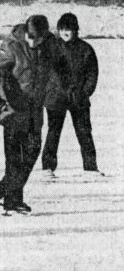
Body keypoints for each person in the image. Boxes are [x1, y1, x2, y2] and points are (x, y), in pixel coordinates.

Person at [0, 15, 64, 215]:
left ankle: (5, 190)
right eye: (30, 37)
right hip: (12, 106)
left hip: (34, 108)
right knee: (14, 157)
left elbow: (60, 69)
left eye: (37, 38)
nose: (32, 41)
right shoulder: (12, 45)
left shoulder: (50, 47)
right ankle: (13, 201)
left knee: (33, 151)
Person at [42, 13, 102, 178]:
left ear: (75, 30)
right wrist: (51, 91)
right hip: (56, 98)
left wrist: (84, 93)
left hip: (79, 99)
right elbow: (47, 73)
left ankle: (90, 168)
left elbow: (92, 74)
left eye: (68, 29)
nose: (64, 32)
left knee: (84, 132)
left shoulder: (86, 49)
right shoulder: (52, 48)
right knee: (53, 132)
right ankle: (47, 167)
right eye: (62, 29)